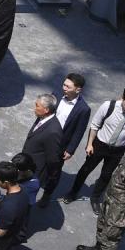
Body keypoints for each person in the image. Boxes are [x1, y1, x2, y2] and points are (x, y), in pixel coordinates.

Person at [64, 86, 125, 214]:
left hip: (118, 149)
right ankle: (73, 192)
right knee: (86, 169)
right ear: (122, 98)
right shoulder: (108, 106)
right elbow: (94, 125)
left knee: (106, 175)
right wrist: (90, 144)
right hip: (100, 144)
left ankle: (95, 198)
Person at [48, 73, 91, 205]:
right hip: (46, 136)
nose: (64, 88)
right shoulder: (56, 95)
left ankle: (46, 195)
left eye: (68, 86)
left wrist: (70, 149)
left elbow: (79, 131)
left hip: (61, 143)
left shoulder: (83, 109)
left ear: (78, 89)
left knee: (54, 172)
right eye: (64, 84)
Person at [22, 93, 64, 206]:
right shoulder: (42, 118)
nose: (34, 108)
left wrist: (46, 178)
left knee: (24, 201)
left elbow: (52, 159)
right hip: (26, 167)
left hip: (34, 173)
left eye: (37, 106)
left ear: (46, 110)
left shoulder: (53, 131)